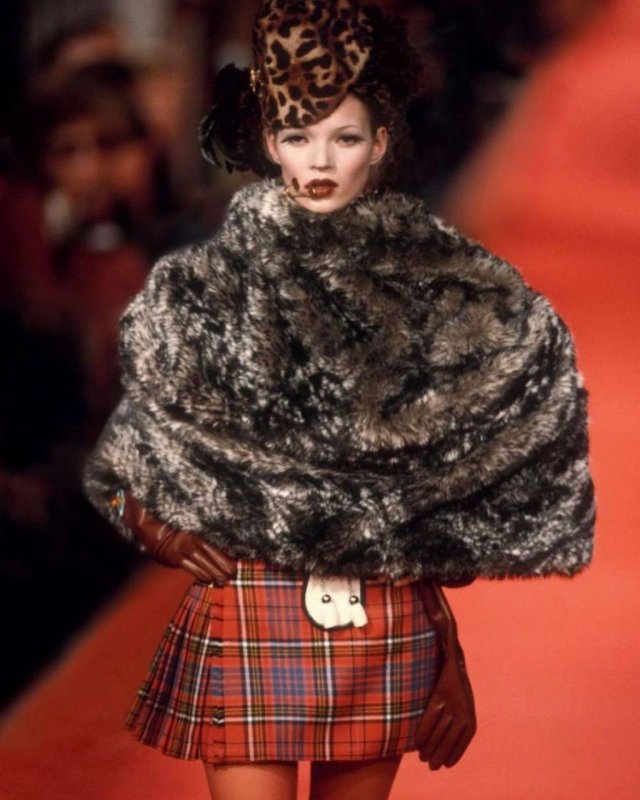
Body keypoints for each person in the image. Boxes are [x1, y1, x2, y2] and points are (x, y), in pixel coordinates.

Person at [83, 2, 595, 799]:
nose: (320, 160)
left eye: (344, 138)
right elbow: (121, 464)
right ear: (270, 144)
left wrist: (449, 655)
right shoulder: (205, 288)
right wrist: (159, 529)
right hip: (250, 606)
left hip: (381, 624)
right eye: (298, 136)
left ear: (379, 145)